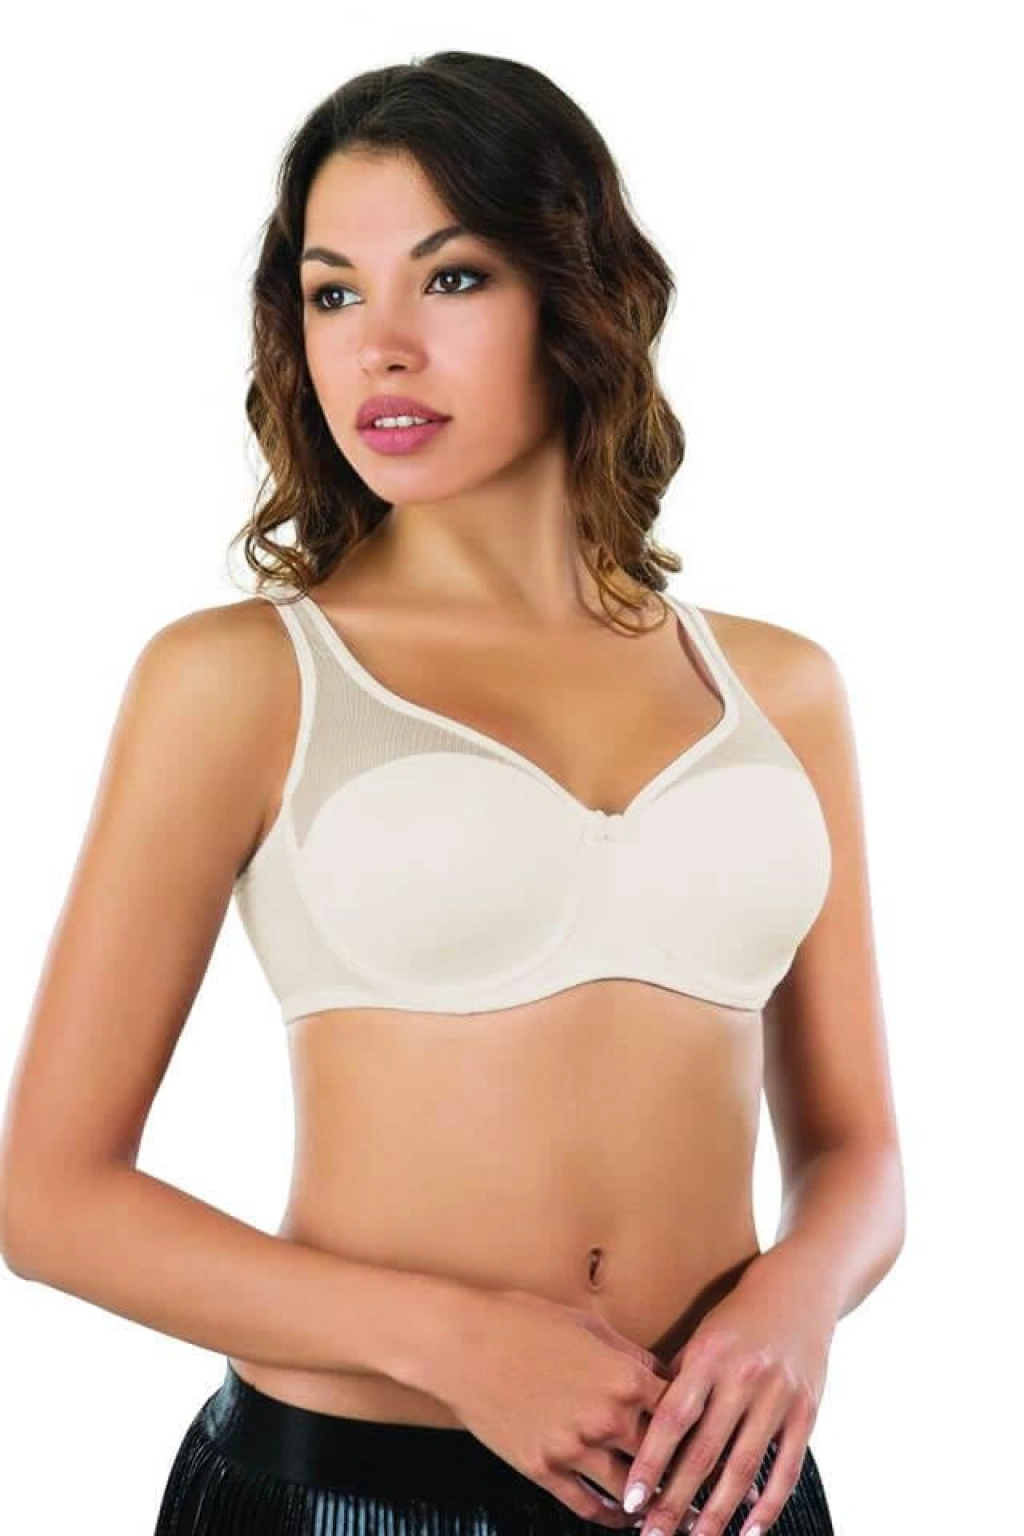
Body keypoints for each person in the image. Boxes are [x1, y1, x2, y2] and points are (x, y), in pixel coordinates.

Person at [0, 50, 905, 1536]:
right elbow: (49, 1201)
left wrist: (794, 1307)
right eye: (333, 294)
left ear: (575, 297)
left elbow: (857, 1149)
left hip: (718, 1490)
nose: (382, 349)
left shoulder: (779, 688)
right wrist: (457, 1342)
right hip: (353, 1489)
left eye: (453, 279)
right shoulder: (245, 678)